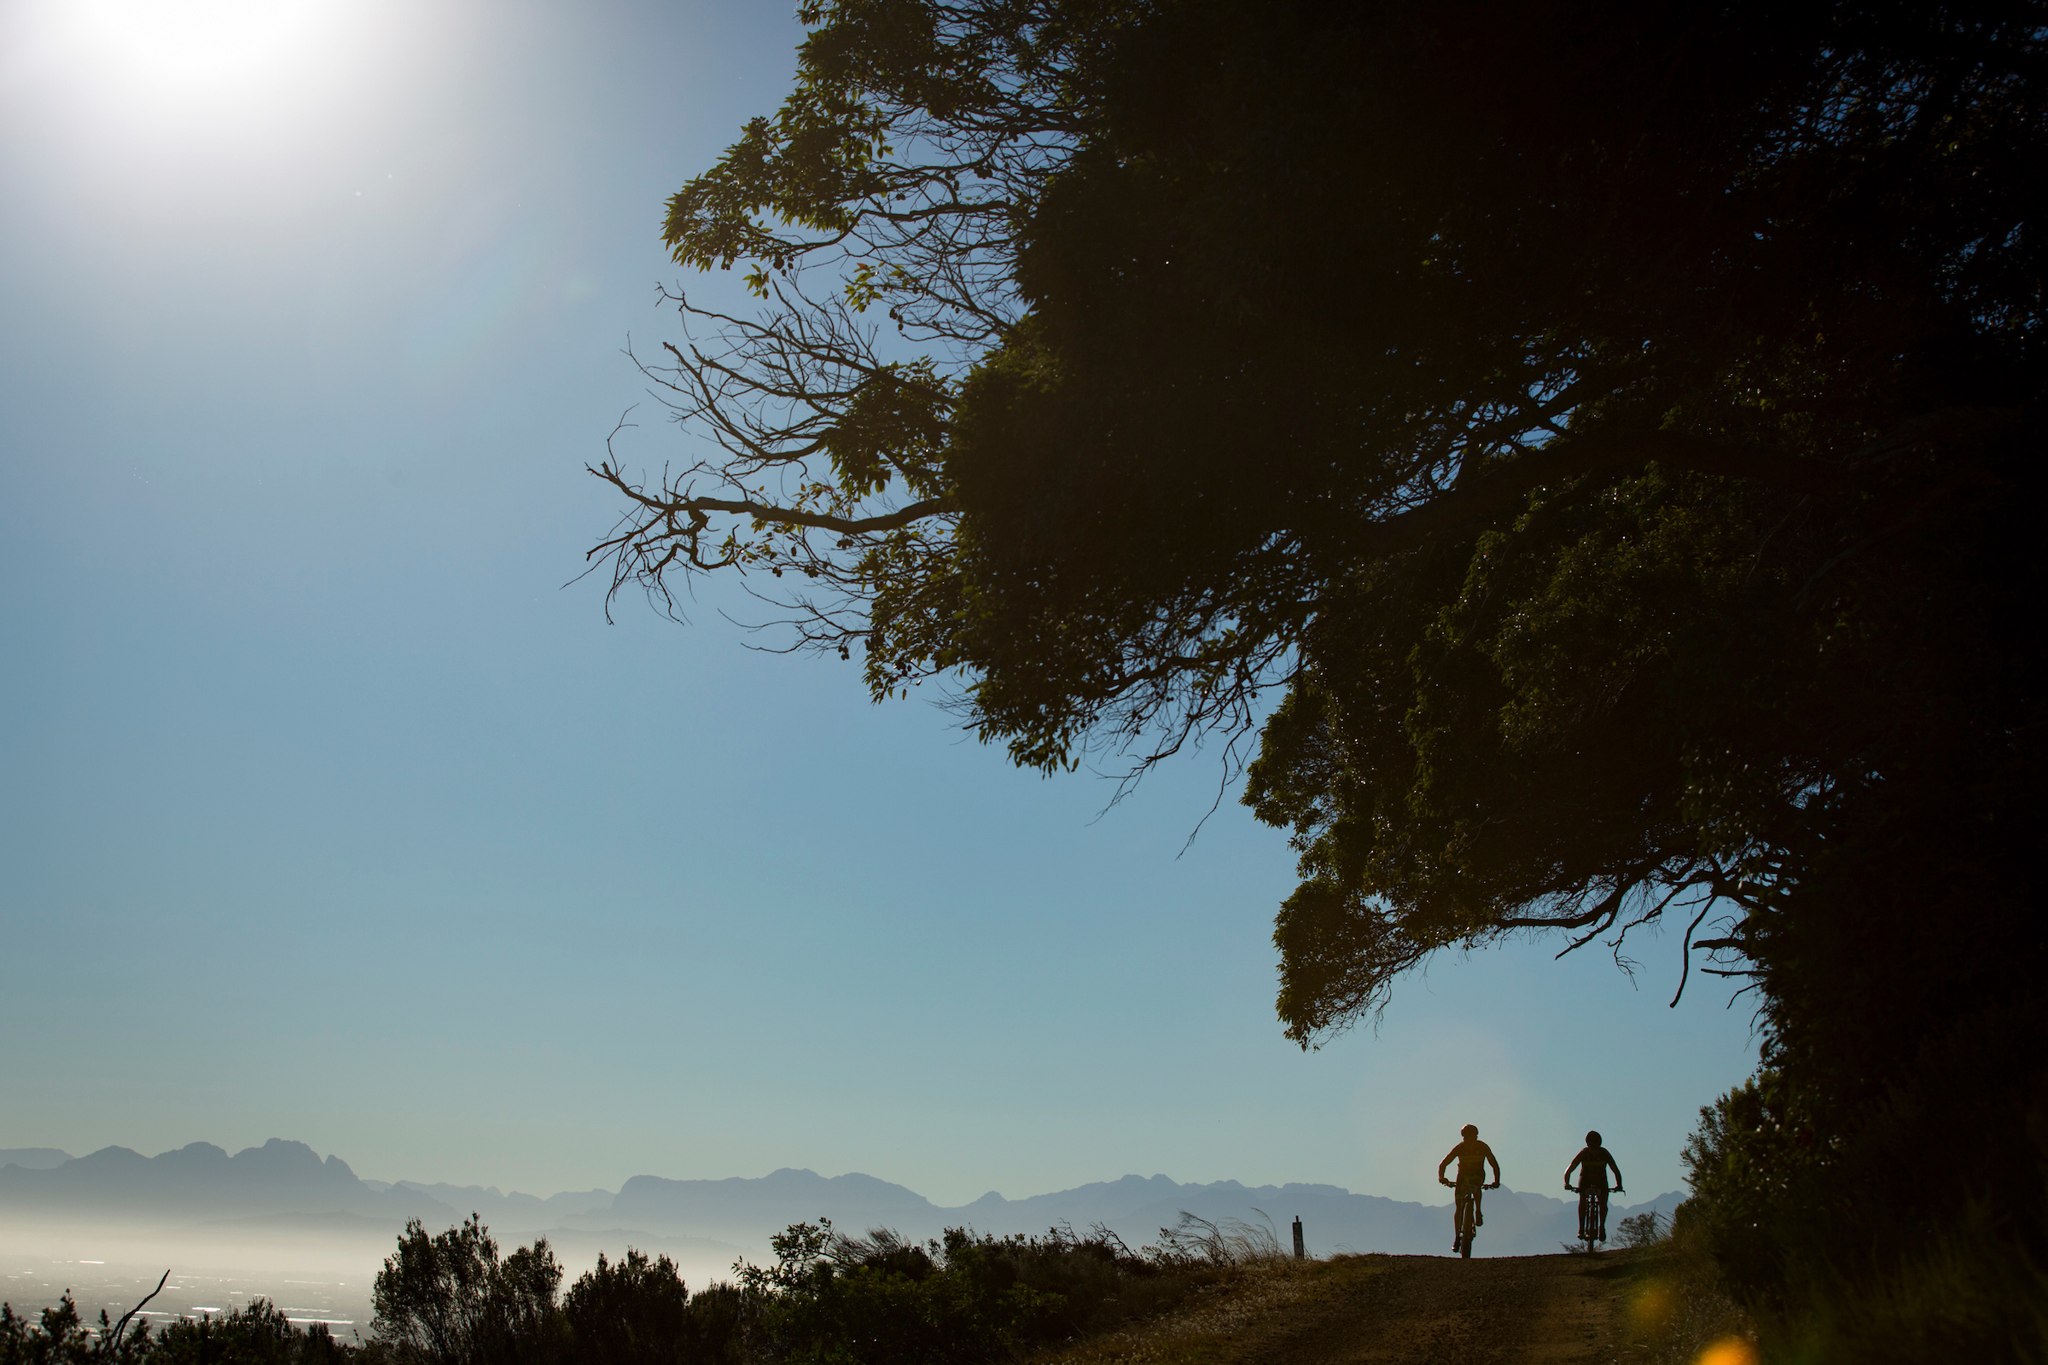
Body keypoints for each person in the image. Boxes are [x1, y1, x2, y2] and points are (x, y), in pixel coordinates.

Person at [1437, 1123, 1500, 1252]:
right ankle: (1457, 1237)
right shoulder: (1460, 1148)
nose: (1469, 1141)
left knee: (1476, 1187)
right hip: (1463, 1177)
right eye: (1467, 1138)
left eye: (1471, 1138)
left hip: (1477, 1175)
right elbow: (1443, 1163)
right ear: (1464, 1138)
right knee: (1459, 1206)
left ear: (1476, 1137)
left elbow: (1494, 1164)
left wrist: (1496, 1180)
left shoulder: (1483, 1147)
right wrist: (1441, 1177)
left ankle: (1478, 1211)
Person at [1563, 1130, 1626, 1242]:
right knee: (1586, 1200)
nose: (1594, 1149)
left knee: (1601, 1203)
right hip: (1588, 1181)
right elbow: (1570, 1168)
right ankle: (1583, 1228)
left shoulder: (1603, 1153)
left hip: (1599, 1181)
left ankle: (1600, 1227)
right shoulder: (1585, 1153)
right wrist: (1618, 1185)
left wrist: (1567, 1183)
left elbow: (1615, 1170)